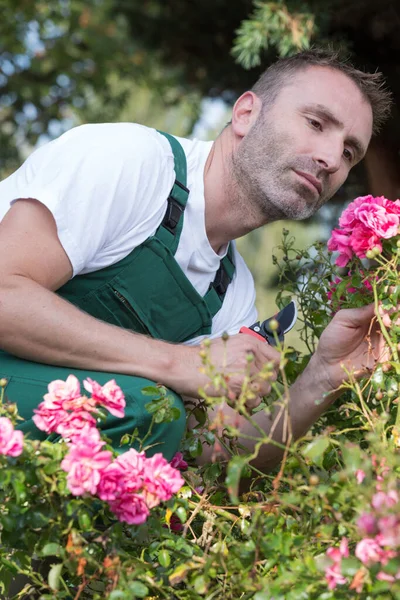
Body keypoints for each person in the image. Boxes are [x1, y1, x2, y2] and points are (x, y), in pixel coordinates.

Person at [0, 48, 392, 467]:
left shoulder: (231, 292)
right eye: (315, 123)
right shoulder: (132, 162)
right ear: (244, 114)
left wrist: (325, 374)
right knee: (155, 413)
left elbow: (219, 453)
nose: (331, 159)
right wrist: (180, 363)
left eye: (350, 152)